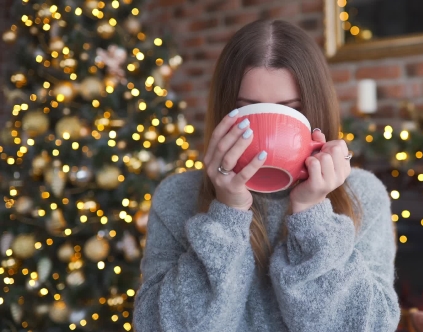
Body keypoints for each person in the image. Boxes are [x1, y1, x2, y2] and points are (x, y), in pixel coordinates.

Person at [133, 19, 400, 331]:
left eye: (290, 110)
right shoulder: (177, 195)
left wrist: (312, 215)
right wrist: (226, 213)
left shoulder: (362, 194)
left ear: (315, 112)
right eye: (250, 110)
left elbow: (369, 326)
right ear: (224, 115)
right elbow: (156, 326)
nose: (269, 135)